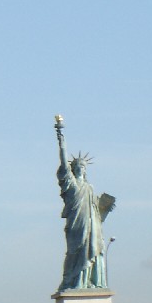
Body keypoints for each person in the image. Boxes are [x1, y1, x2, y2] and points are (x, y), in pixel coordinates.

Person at [55, 117, 115, 291]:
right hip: (76, 224)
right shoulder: (71, 184)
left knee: (95, 249)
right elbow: (63, 162)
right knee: (75, 252)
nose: (82, 168)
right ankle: (73, 282)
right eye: (79, 166)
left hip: (91, 224)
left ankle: (90, 282)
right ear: (73, 169)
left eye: (84, 166)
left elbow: (97, 210)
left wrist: (105, 207)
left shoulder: (89, 187)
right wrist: (61, 140)